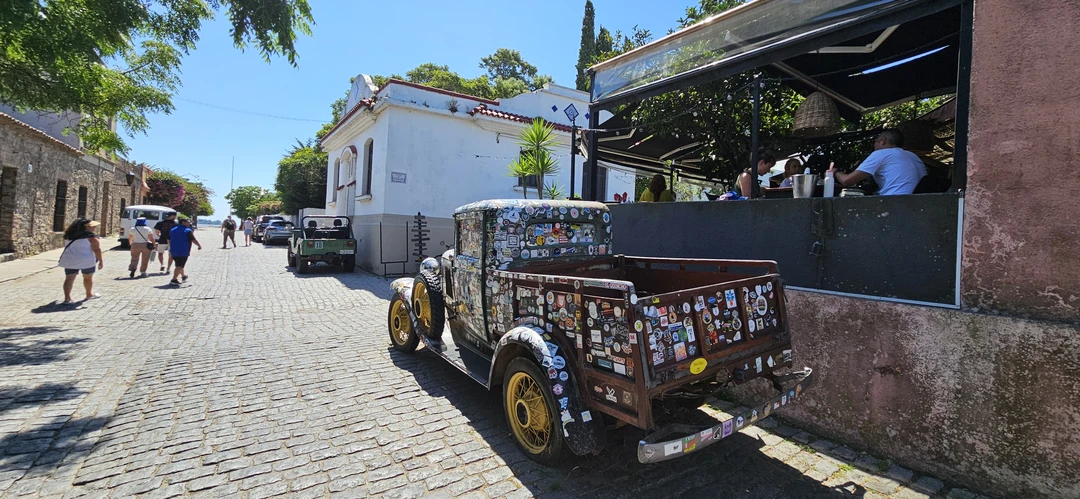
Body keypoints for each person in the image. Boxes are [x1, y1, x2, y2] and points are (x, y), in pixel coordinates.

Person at [829, 129, 926, 196]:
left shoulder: (881, 153)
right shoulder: (913, 156)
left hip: (895, 200)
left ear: (882, 141)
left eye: (875, 142)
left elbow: (847, 181)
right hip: (919, 201)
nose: (874, 146)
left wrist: (835, 171)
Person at [57, 219, 103, 303]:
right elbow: (97, 249)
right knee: (88, 277)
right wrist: (101, 261)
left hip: (70, 259)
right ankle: (88, 294)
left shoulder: (69, 235)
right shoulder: (91, 237)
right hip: (86, 260)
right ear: (87, 227)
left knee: (69, 279)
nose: (95, 228)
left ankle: (67, 298)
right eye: (93, 226)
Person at [169, 217, 202, 286]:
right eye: (188, 222)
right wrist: (199, 245)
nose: (189, 223)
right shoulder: (187, 230)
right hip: (183, 250)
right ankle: (174, 279)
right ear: (183, 222)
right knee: (179, 265)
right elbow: (193, 239)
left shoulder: (172, 230)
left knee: (179, 264)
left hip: (173, 250)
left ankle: (183, 276)